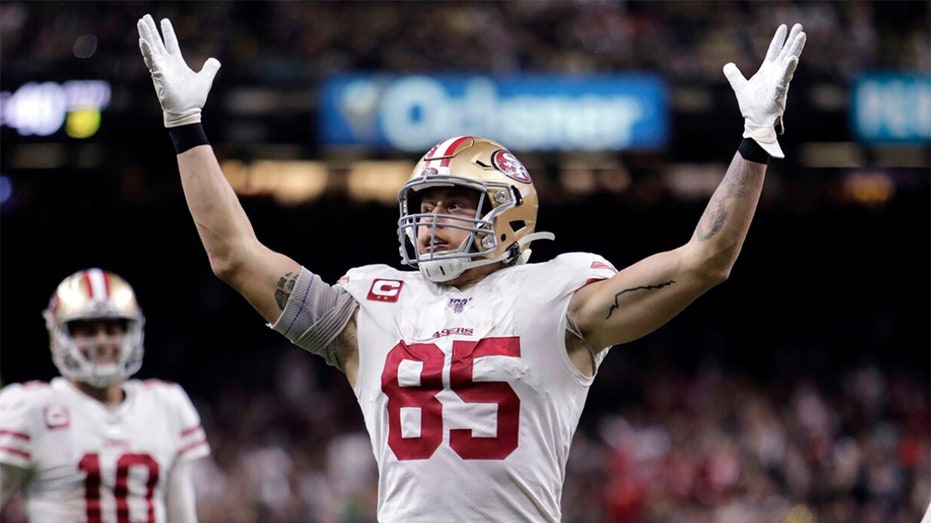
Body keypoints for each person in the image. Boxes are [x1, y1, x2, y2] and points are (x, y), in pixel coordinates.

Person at [137, 13, 806, 522]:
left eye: (455, 204)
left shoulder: (560, 293)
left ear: (509, 212)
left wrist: (752, 145)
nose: (432, 221)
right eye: (424, 205)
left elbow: (703, 262)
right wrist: (186, 126)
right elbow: (235, 258)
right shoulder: (371, 301)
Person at [0, 268, 211, 523]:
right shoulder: (31, 408)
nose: (101, 341)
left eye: (112, 329)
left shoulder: (167, 404)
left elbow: (183, 516)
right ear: (59, 336)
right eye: (87, 330)